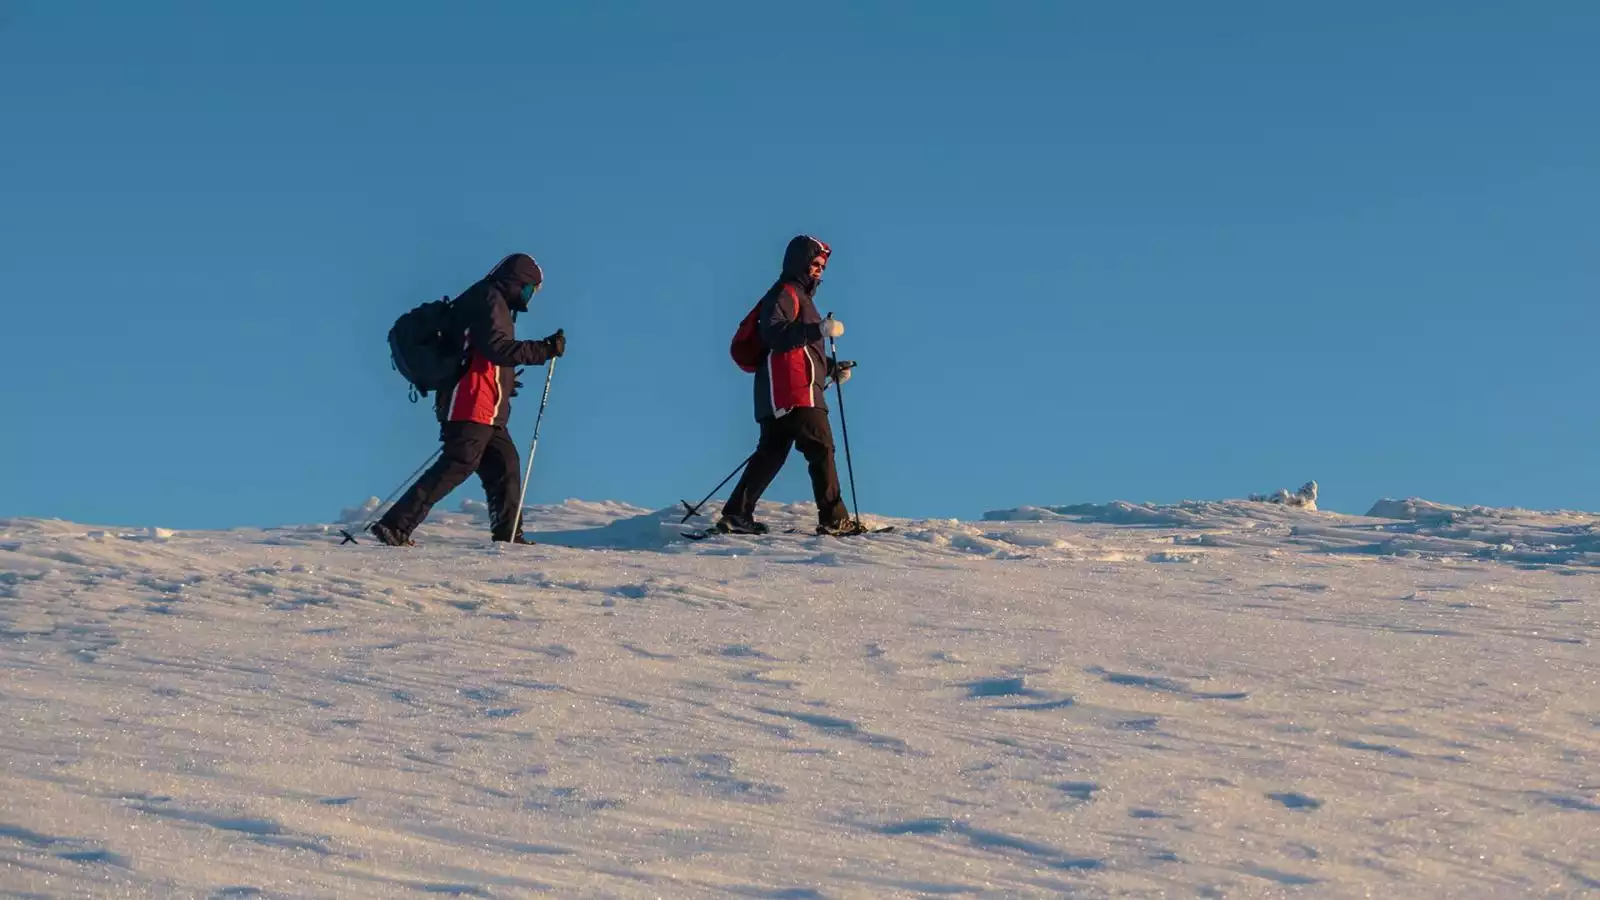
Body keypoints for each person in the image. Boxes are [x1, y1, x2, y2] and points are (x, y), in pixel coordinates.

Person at [370, 253, 565, 546]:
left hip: (487, 406)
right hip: (470, 403)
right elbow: (496, 348)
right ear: (518, 282)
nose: (530, 297)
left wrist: (506, 382)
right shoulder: (489, 299)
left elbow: (481, 353)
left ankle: (508, 536)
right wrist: (543, 350)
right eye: (530, 289)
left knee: (505, 466)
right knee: (458, 464)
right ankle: (395, 526)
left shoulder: (490, 301)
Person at [719, 235, 865, 536]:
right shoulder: (786, 293)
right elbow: (775, 335)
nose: (819, 270)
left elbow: (802, 350)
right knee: (821, 448)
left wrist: (832, 368)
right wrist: (819, 328)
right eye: (814, 264)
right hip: (793, 391)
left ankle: (737, 514)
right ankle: (834, 519)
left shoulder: (799, 297)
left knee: (771, 453)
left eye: (822, 266)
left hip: (781, 392)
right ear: (799, 262)